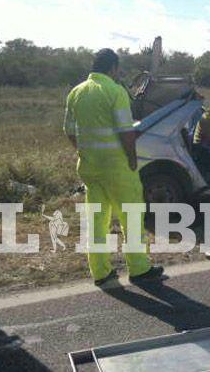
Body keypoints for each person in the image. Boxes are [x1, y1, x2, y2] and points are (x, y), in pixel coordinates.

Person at [64, 48, 163, 286]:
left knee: (97, 220)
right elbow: (125, 131)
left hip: (89, 166)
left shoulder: (76, 92)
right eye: (118, 69)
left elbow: (68, 130)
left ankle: (100, 272)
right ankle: (139, 268)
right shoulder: (115, 91)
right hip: (116, 166)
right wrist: (131, 158)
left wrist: (83, 151)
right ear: (112, 68)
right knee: (131, 215)